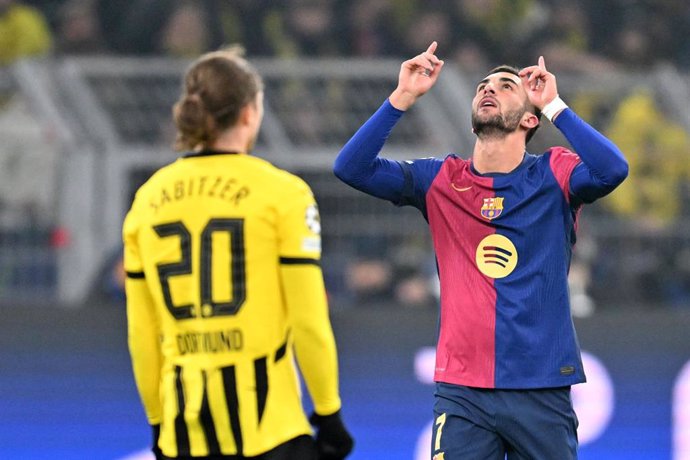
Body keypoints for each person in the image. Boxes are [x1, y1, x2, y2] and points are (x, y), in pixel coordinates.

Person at [334, 42, 628, 459]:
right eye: (482, 86)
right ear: (473, 121)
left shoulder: (554, 172)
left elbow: (613, 169)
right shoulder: (439, 180)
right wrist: (402, 97)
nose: (488, 89)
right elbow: (351, 168)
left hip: (539, 386)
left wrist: (556, 105)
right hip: (462, 393)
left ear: (530, 118)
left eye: (506, 86)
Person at [123, 46, 353, 460]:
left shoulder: (147, 199)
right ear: (249, 114)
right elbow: (309, 320)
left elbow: (143, 333)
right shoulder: (283, 193)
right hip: (269, 430)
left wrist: (158, 421)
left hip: (184, 431)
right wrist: (328, 412)